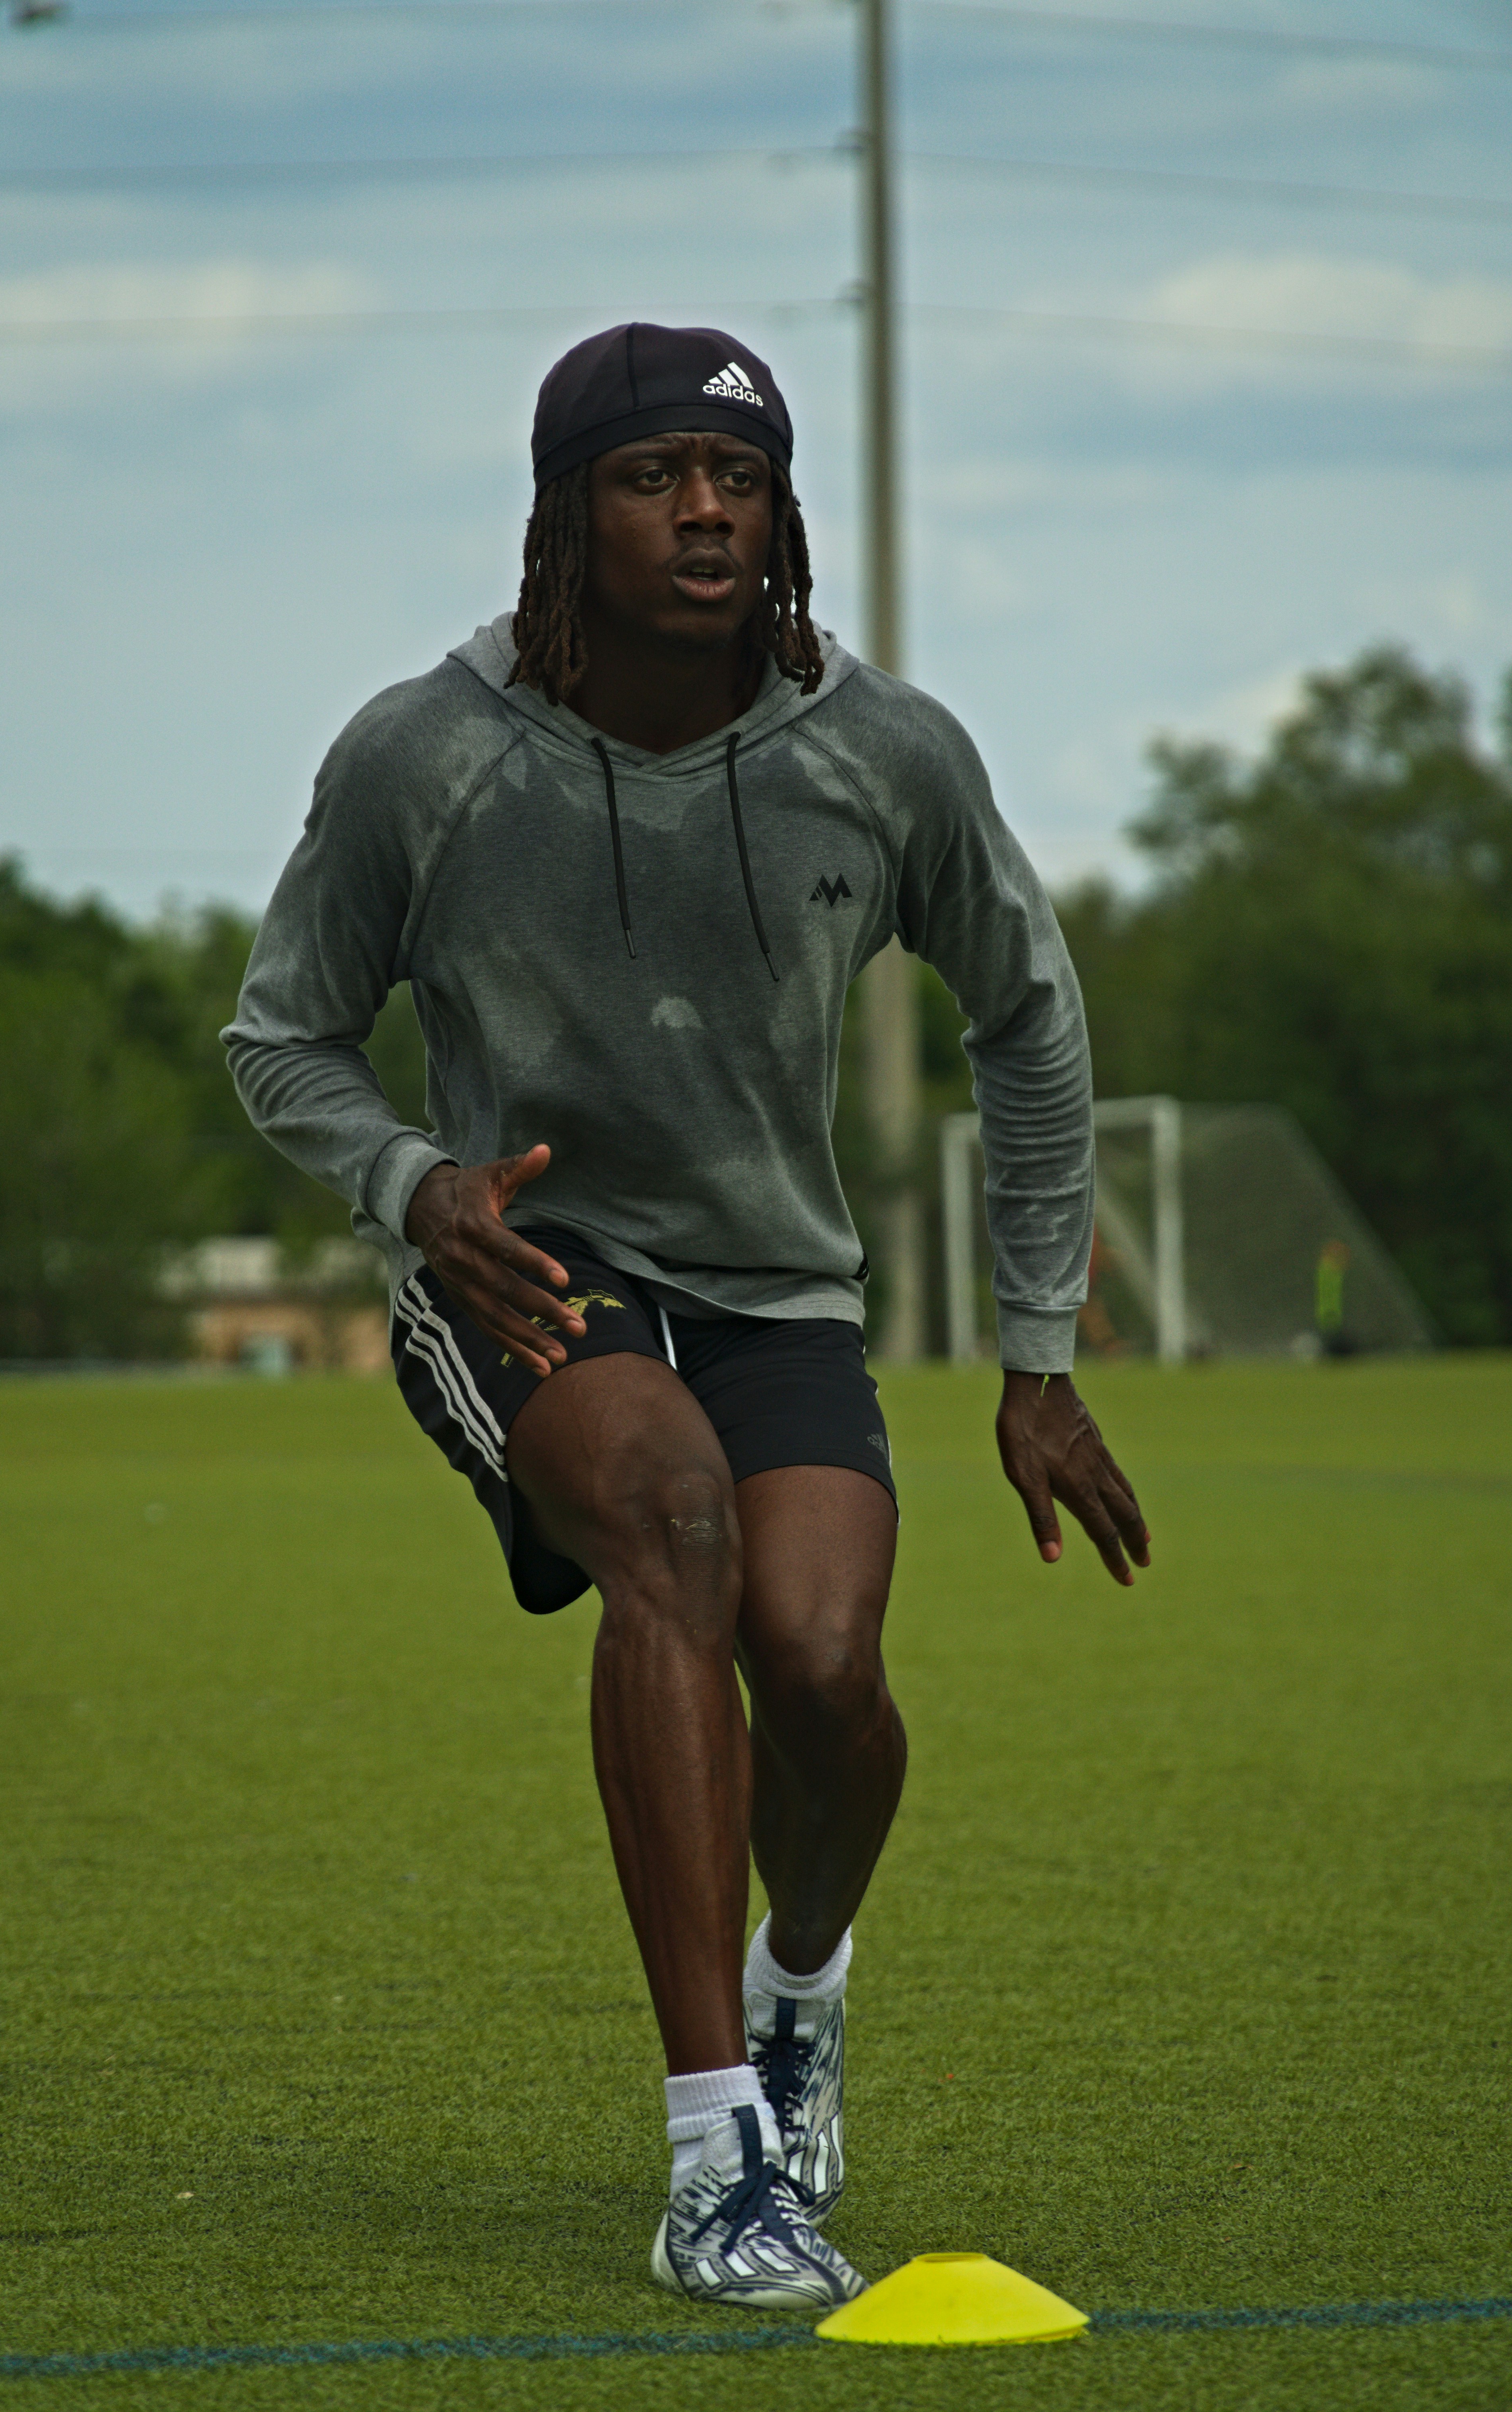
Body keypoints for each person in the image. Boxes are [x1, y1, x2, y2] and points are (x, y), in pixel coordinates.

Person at [224, 322, 1150, 2312]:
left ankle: (797, 1985)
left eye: (736, 477)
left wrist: (1038, 1362)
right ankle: (717, 2158)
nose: (704, 510)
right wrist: (413, 1185)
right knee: (674, 1532)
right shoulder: (423, 753)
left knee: (820, 1671)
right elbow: (280, 1034)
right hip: (524, 1274)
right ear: (565, 516)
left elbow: (1031, 1021)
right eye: (652, 477)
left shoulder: (880, 751)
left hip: (773, 1287)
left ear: (780, 508)